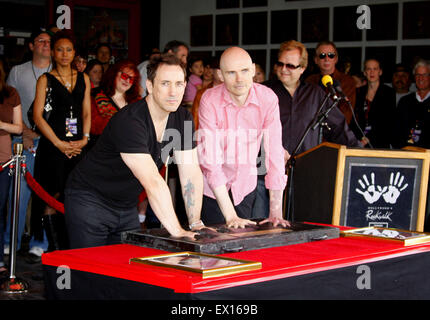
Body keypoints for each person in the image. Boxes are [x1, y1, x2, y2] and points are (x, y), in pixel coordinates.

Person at [64, 54, 203, 249]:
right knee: (90, 272)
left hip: (126, 204)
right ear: (150, 85)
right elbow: (152, 181)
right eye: (165, 83)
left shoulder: (183, 117)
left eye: (179, 84)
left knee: (126, 271)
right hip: (90, 198)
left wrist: (195, 222)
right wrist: (177, 231)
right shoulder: (130, 121)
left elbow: (191, 172)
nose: (173, 92)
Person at [254, 40, 360, 218]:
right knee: (262, 230)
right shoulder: (263, 91)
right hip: (264, 176)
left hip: (304, 176)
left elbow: (340, 129)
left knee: (300, 231)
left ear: (302, 68)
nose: (283, 69)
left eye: (290, 65)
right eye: (280, 64)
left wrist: (361, 155)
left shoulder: (316, 94)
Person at [197, 47, 288, 228]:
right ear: (220, 75)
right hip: (213, 189)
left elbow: (275, 153)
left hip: (245, 185)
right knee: (213, 248)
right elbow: (211, 161)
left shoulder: (267, 98)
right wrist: (230, 215)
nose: (239, 79)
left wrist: (275, 211)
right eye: (231, 73)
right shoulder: (209, 100)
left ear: (253, 70)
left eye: (244, 71)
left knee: (241, 246)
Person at [32, 29, 91, 251]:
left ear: (74, 52)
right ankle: (56, 250)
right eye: (59, 50)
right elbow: (38, 116)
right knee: (51, 196)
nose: (64, 54)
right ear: (53, 54)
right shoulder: (45, 79)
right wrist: (58, 143)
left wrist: (85, 139)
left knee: (74, 197)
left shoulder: (83, 78)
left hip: (77, 146)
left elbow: (86, 112)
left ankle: (72, 249)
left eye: (69, 50)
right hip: (52, 145)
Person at [5, 27, 52, 259]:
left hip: (51, 141)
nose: (46, 45)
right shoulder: (17, 71)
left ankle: (40, 240)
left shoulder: (60, 71)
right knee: (19, 193)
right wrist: (24, 131)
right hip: (22, 138)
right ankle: (9, 240)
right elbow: (9, 105)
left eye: (49, 42)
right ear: (32, 46)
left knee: (46, 193)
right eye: (41, 41)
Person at [0, 58, 23, 275]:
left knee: (0, 208)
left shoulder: (10, 93)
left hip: (4, 159)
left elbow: (18, 128)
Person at [306, 41, 357, 124]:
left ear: (336, 59)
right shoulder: (309, 81)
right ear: (316, 60)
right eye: (322, 55)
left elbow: (346, 115)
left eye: (331, 55)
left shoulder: (347, 81)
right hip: (312, 130)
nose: (327, 59)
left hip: (336, 133)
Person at [90, 60, 141, 143]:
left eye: (131, 79)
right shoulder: (95, 96)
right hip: (104, 149)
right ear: (114, 74)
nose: (127, 81)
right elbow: (94, 127)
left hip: (130, 148)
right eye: (124, 76)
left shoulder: (136, 100)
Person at [350, 58, 396, 148]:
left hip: (379, 141)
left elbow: (387, 121)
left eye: (375, 69)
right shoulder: (359, 92)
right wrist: (358, 139)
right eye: (368, 69)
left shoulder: (388, 92)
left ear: (380, 72)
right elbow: (354, 119)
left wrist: (368, 138)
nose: (372, 72)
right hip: (360, 141)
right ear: (364, 72)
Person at [392, 59, 430, 149]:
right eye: (418, 75)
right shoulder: (405, 101)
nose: (421, 78)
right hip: (406, 154)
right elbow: (396, 130)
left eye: (424, 75)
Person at [191, 57, 222, 129]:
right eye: (219, 69)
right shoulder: (202, 93)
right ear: (212, 70)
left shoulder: (232, 92)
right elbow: (195, 119)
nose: (222, 72)